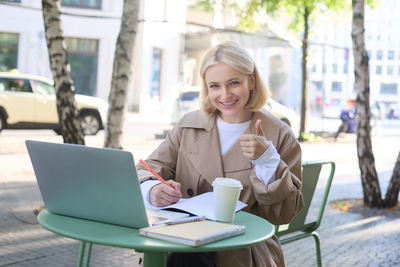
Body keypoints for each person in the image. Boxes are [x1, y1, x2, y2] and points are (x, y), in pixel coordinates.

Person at [136, 41, 304, 267]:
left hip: (243, 250)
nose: (225, 95)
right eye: (214, 86)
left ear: (251, 81)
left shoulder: (279, 134)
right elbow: (145, 170)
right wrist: (153, 190)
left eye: (234, 83)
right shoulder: (189, 125)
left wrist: (267, 160)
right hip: (180, 240)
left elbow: (283, 215)